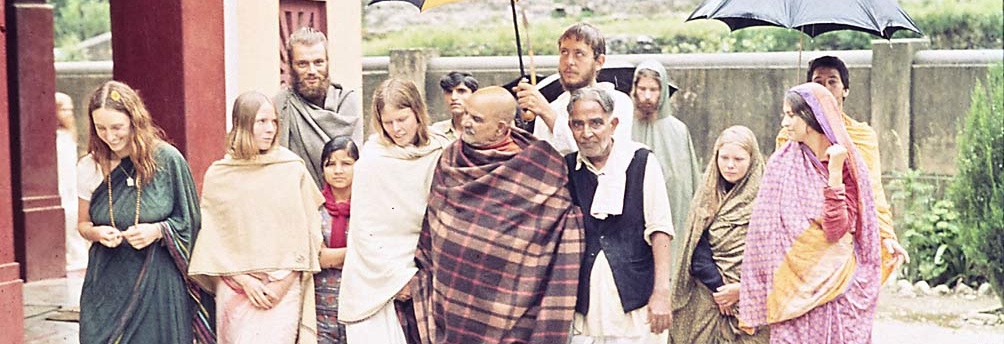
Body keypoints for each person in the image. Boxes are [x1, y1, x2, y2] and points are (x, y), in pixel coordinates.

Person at [414, 87, 584, 343]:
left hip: (511, 302)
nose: (466, 123)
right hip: (453, 298)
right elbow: (437, 222)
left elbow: (556, 230)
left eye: (477, 119)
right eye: (467, 114)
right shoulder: (450, 158)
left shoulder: (538, 166)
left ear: (502, 129)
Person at [740, 83, 882, 343]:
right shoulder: (782, 164)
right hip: (790, 290)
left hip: (835, 290)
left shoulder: (848, 164)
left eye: (791, 115)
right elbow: (763, 234)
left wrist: (836, 173)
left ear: (811, 116)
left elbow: (835, 229)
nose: (784, 123)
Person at [76, 81, 213, 343]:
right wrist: (96, 232)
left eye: (117, 127)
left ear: (134, 121)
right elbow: (82, 224)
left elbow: (191, 220)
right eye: (101, 128)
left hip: (158, 280)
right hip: (106, 280)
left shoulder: (167, 160)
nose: (110, 136)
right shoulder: (89, 166)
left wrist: (158, 230)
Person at [188, 91, 324, 343]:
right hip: (235, 288)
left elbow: (309, 233)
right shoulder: (220, 175)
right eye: (262, 121)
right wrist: (245, 282)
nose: (270, 129)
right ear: (242, 123)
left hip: (282, 289)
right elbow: (213, 240)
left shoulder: (291, 168)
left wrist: (281, 283)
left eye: (273, 122)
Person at [775, 56, 908, 281]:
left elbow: (871, 190)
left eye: (832, 82)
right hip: (804, 240)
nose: (825, 88)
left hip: (846, 234)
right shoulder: (788, 137)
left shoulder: (861, 136)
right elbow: (781, 193)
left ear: (845, 90)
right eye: (818, 82)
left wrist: (886, 234)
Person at [338, 78, 449, 344]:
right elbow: (364, 231)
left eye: (402, 119)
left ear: (417, 113)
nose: (396, 129)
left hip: (429, 273)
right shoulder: (372, 160)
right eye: (388, 123)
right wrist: (395, 279)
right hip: (379, 276)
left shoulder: (440, 149)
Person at [564, 87, 673, 343]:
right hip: (588, 304)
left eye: (595, 123)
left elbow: (660, 229)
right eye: (578, 125)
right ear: (570, 127)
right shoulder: (568, 168)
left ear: (613, 124)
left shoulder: (640, 161)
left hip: (637, 302)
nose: (586, 133)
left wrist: (662, 292)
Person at [670, 126, 769, 344]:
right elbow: (695, 247)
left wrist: (742, 290)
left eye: (738, 159)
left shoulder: (767, 199)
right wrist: (721, 290)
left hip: (753, 299)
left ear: (752, 160)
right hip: (708, 296)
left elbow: (773, 254)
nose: (730, 165)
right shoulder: (707, 195)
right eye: (724, 157)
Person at [513, 22, 633, 155]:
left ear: (599, 62)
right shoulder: (552, 108)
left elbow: (600, 156)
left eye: (579, 54)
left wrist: (547, 113)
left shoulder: (619, 103)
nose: (569, 61)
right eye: (564, 52)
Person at [629, 60, 701, 274]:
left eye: (654, 89)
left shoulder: (678, 131)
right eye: (642, 89)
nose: (648, 96)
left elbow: (689, 183)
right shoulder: (623, 125)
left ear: (663, 91)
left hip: (672, 213)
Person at [276, 26, 364, 188]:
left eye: (318, 62)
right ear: (290, 66)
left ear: (327, 63)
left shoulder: (347, 103)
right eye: (302, 64)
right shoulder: (280, 106)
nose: (312, 71)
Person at [315, 136, 359, 344]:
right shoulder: (314, 207)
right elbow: (317, 257)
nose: (338, 170)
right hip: (321, 309)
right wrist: (357, 253)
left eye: (346, 164)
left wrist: (332, 256)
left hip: (361, 304)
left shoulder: (367, 208)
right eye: (331, 164)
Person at [56, 92, 87, 272]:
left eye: (71, 109)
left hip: (71, 186)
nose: (68, 113)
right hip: (62, 187)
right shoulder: (58, 138)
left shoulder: (68, 136)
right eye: (63, 109)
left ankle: (77, 256)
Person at [430, 71, 478, 141]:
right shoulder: (437, 131)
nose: (453, 97)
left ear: (474, 95)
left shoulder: (483, 129)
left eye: (461, 91)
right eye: (449, 92)